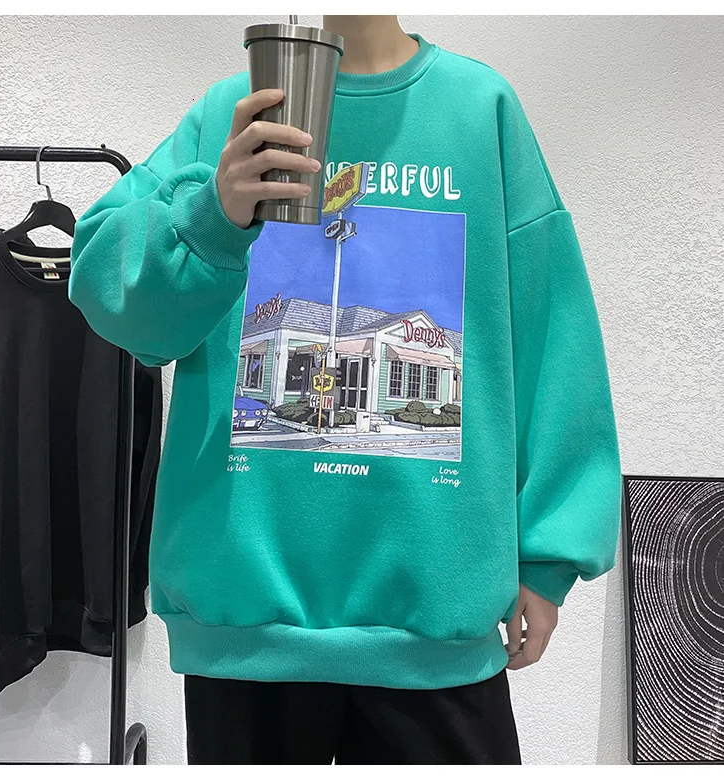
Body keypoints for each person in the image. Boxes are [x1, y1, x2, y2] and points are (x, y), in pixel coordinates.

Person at [68, 15, 622, 765]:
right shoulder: (232, 112)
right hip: (247, 624)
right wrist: (215, 214)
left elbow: (554, 337)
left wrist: (549, 554)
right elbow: (113, 296)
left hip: (434, 624)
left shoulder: (479, 109)